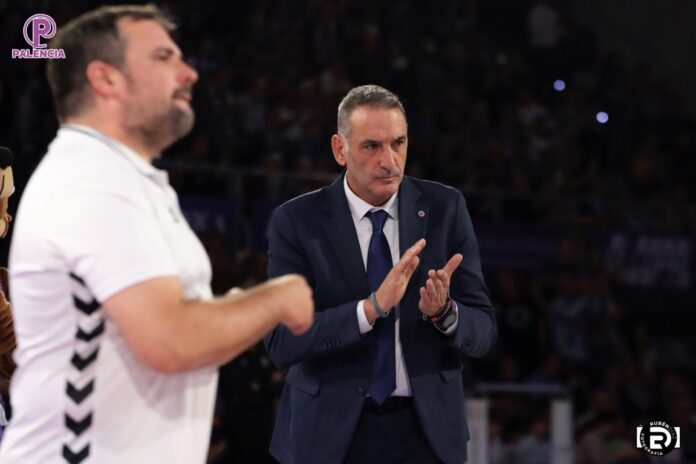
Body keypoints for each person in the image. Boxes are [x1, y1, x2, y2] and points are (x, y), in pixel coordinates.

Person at [0, 5, 313, 463]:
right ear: (106, 79)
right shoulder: (91, 184)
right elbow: (172, 340)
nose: (189, 73)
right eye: (163, 57)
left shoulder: (125, 180)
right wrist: (277, 298)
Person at [264, 84, 497, 463]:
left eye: (398, 143)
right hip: (329, 434)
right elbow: (281, 342)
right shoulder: (297, 221)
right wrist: (369, 310)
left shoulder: (445, 208)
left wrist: (444, 313)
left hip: (426, 435)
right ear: (340, 149)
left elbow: (483, 332)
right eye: (371, 146)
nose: (389, 161)